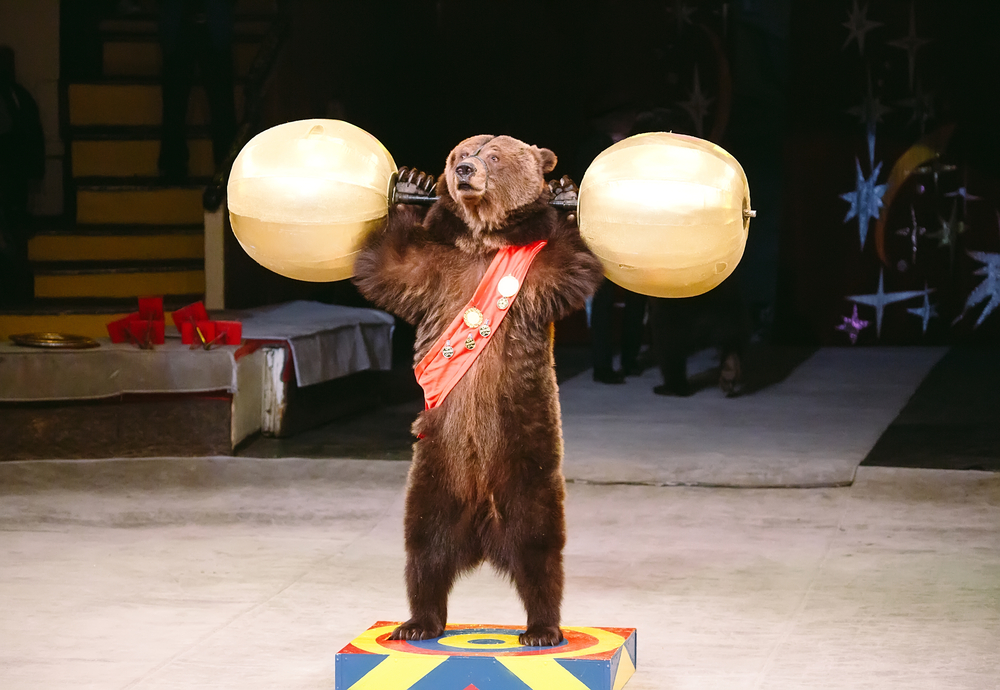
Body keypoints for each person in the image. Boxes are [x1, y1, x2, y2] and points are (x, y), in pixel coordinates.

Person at [157, 0, 237, 182]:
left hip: (201, 23)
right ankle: (174, 164)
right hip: (185, 24)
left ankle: (175, 165)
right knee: (176, 102)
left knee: (219, 102)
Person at [0, 46, 45, 307]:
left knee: (10, 246)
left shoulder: (12, 98)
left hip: (9, 184)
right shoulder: (19, 96)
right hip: (15, 185)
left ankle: (12, 298)